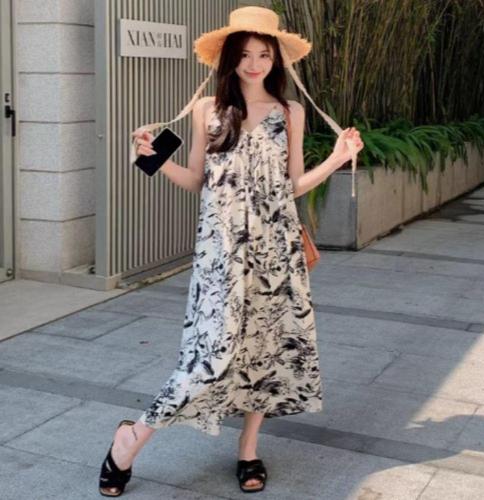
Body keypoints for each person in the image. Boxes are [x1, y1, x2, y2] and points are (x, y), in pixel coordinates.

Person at [98, 6, 363, 497]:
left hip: (276, 249)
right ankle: (131, 437)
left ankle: (248, 448)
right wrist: (151, 159)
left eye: (264, 54)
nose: (254, 64)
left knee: (266, 347)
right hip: (220, 252)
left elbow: (292, 185)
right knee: (209, 353)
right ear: (230, 59)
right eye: (244, 55)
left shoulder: (290, 112)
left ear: (276, 59)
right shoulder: (209, 110)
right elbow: (196, 179)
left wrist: (336, 159)